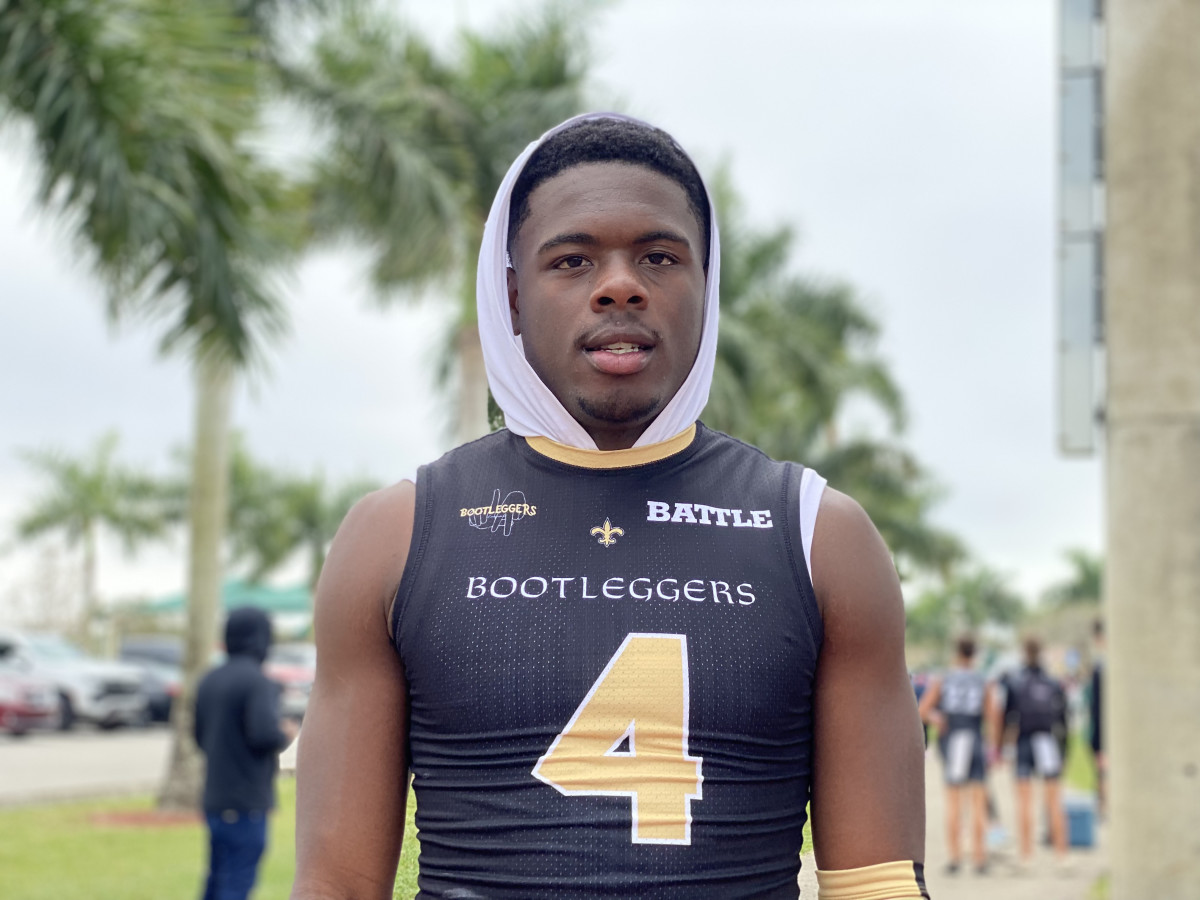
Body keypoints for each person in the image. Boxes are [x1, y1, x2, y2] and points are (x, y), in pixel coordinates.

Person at [290, 113, 928, 900]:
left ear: (706, 287)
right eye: (573, 260)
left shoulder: (817, 534)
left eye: (659, 257)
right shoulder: (397, 535)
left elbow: (875, 886)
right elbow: (337, 885)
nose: (620, 285)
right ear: (513, 297)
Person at [195, 606, 298, 900]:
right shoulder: (258, 681)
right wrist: (285, 733)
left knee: (216, 882)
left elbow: (199, 738)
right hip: (246, 802)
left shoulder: (209, 680)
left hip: (215, 800)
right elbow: (263, 735)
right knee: (236, 885)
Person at [918, 635, 996, 875]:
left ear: (957, 652)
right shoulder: (982, 680)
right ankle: (980, 858)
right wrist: (993, 747)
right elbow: (992, 715)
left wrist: (939, 720)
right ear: (974, 654)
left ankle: (955, 857)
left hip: (954, 740)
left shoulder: (944, 679)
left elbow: (922, 710)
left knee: (954, 801)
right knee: (978, 801)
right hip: (975, 738)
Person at [997, 636, 1069, 868]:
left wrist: (1001, 748)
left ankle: (1026, 855)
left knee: (1024, 801)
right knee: (1054, 800)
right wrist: (1064, 753)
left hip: (1025, 741)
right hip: (1047, 741)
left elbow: (1008, 718)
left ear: (1024, 653)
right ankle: (1061, 854)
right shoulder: (1053, 682)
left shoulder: (1016, 681)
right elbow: (1063, 720)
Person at [1088, 618, 1105, 818]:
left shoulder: (1103, 667)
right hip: (1099, 727)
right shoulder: (1099, 665)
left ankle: (1104, 804)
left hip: (1103, 729)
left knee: (1103, 768)